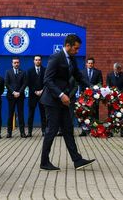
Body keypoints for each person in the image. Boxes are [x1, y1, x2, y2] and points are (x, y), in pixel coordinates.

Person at [39, 34, 95, 171]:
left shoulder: (72, 59)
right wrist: (61, 94)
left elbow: (78, 76)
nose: (77, 51)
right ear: (68, 45)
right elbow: (47, 80)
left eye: (78, 49)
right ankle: (44, 162)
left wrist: (93, 88)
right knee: (51, 131)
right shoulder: (56, 58)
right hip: (52, 100)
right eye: (75, 48)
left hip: (63, 102)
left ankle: (77, 160)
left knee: (68, 129)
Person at [79, 57, 103, 136]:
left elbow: (100, 83)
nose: (90, 64)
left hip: (94, 96)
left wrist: (96, 91)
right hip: (84, 96)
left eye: (91, 63)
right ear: (86, 64)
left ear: (93, 64)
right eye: (89, 63)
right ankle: (84, 131)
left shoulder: (98, 72)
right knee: (84, 113)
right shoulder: (82, 72)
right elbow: (81, 83)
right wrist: (81, 94)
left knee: (95, 113)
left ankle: (95, 130)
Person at [5, 57, 27, 138]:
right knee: (10, 114)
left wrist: (19, 92)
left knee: (21, 114)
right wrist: (14, 92)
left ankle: (22, 132)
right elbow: (7, 84)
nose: (16, 64)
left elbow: (25, 83)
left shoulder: (23, 72)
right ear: (12, 63)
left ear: (19, 63)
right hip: (11, 96)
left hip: (20, 96)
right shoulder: (8, 72)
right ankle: (9, 132)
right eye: (14, 62)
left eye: (17, 62)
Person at [106, 62, 123, 137]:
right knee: (111, 114)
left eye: (119, 69)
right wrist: (113, 93)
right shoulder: (109, 75)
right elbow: (108, 86)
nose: (118, 71)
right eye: (116, 69)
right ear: (114, 68)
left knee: (122, 115)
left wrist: (119, 93)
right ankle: (110, 131)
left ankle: (122, 132)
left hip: (121, 98)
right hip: (112, 98)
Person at [26, 55, 46, 137]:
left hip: (43, 95)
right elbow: (28, 83)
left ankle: (44, 131)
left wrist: (42, 91)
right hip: (33, 95)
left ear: (41, 61)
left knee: (43, 114)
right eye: (36, 60)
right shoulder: (30, 71)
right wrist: (35, 91)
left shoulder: (45, 70)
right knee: (31, 115)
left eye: (39, 60)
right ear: (34, 61)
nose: (38, 61)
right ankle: (29, 132)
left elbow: (47, 82)